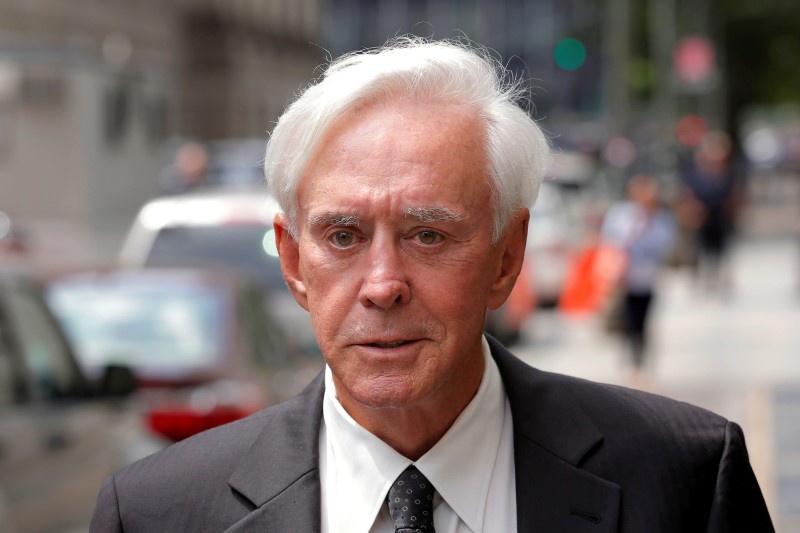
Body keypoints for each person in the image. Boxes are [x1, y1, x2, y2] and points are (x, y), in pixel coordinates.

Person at [90, 38, 773, 532]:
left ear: (507, 258)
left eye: (428, 236)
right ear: (295, 264)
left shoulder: (683, 479)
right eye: (343, 237)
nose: (382, 285)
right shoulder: (155, 512)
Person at [601, 173, 676, 379]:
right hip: (623, 278)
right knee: (625, 320)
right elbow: (610, 240)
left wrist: (647, 226)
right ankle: (628, 359)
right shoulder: (621, 214)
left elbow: (663, 245)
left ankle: (640, 361)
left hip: (647, 279)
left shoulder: (660, 219)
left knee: (642, 321)